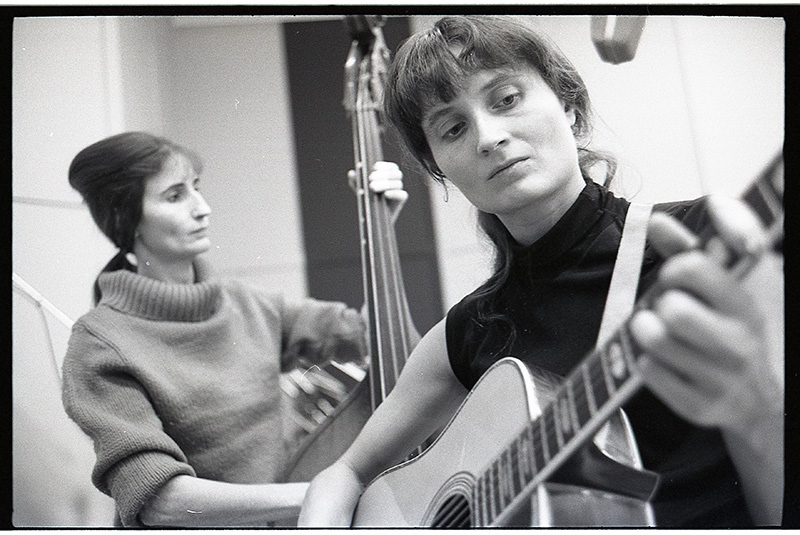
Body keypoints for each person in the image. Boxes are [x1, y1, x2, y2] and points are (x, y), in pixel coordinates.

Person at [298, 16, 784, 528]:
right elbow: (344, 474)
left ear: (569, 107)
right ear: (440, 168)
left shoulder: (702, 245)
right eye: (453, 128)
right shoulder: (468, 332)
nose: (488, 137)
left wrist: (756, 412)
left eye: (506, 99)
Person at [60, 131, 407, 527]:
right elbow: (160, 500)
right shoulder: (99, 345)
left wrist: (382, 229)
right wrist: (327, 493)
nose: (203, 208)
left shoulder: (245, 303)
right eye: (175, 196)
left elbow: (370, 335)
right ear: (126, 220)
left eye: (196, 188)